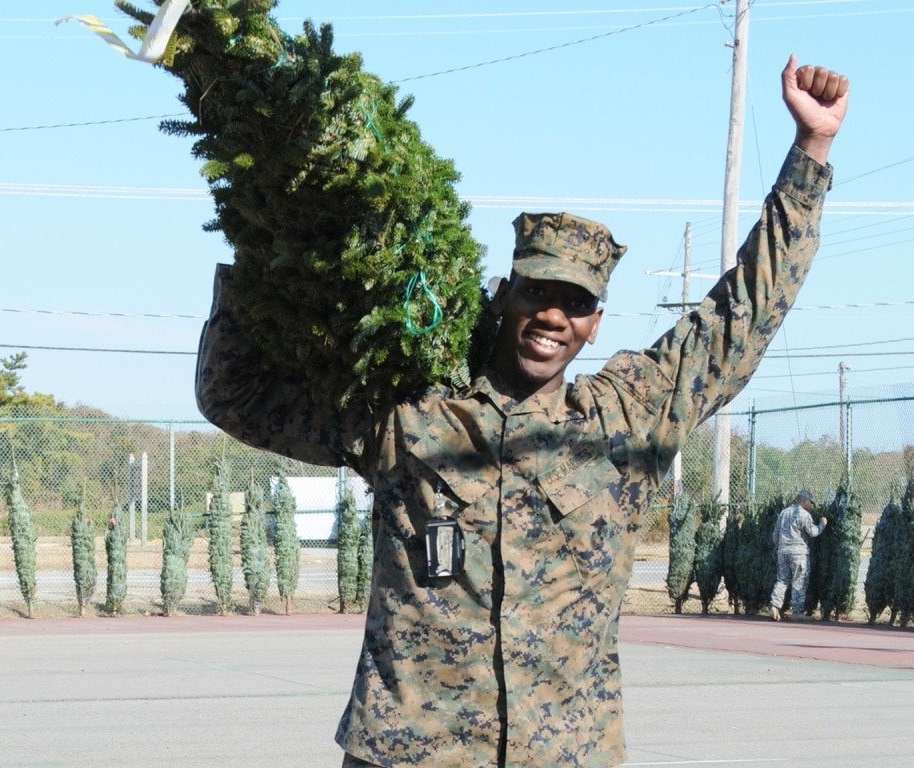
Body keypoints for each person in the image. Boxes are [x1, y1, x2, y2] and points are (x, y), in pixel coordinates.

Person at [195, 55, 849, 768]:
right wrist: (263, 240)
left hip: (564, 754)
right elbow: (237, 397)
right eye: (538, 292)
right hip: (411, 755)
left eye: (575, 303)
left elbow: (741, 316)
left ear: (596, 322)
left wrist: (811, 150)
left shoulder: (624, 423)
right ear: (504, 294)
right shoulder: (412, 417)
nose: (552, 316)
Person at [769, 489, 828, 622]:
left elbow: (775, 534)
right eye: (810, 502)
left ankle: (774, 606)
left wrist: (778, 547)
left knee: (782, 580)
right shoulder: (803, 514)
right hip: (798, 553)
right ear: (804, 501)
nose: (811, 505)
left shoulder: (784, 513)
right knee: (799, 581)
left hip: (783, 552)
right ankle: (797, 612)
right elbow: (813, 532)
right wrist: (822, 524)